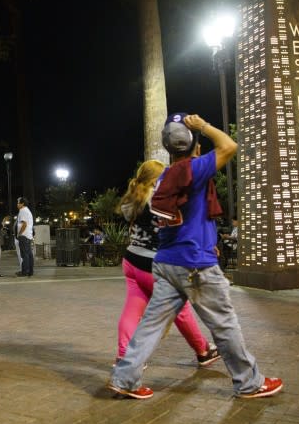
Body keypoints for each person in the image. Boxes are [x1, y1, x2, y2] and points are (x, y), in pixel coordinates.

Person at [107, 113, 282, 400]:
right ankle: (250, 382)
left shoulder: (163, 178)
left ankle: (125, 378)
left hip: (165, 262)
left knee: (150, 326)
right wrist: (203, 127)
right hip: (194, 264)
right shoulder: (193, 169)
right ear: (194, 147)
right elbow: (229, 146)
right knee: (224, 324)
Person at [115, 159, 220, 368]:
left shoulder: (132, 200)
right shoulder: (159, 200)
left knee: (132, 309)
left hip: (131, 261)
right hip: (153, 264)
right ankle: (202, 350)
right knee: (180, 310)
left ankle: (124, 355)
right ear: (157, 179)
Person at [15, 197, 34, 277]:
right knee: (29, 254)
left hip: (24, 235)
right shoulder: (27, 210)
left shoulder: (23, 211)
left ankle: (24, 271)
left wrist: (19, 234)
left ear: (22, 204)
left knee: (24, 254)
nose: (17, 204)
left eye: (18, 203)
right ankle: (30, 271)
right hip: (28, 235)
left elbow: (24, 224)